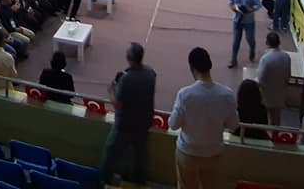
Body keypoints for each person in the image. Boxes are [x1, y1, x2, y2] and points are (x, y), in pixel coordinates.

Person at [168, 47, 238, 189]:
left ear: (192, 68)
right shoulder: (227, 95)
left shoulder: (185, 94)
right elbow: (233, 125)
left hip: (188, 152)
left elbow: (173, 125)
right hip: (213, 153)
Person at [101, 42, 156, 187]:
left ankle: (106, 178)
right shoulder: (151, 73)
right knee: (140, 155)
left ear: (128, 58)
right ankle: (138, 181)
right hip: (144, 122)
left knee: (111, 151)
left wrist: (111, 91)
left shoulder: (126, 79)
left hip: (125, 125)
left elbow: (118, 105)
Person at [256, 32, 291, 125]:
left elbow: (260, 78)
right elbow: (288, 76)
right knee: (276, 117)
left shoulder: (265, 59)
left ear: (267, 43)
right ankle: (276, 133)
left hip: (266, 93)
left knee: (264, 117)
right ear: (279, 42)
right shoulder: (286, 57)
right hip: (280, 93)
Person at [228, 0, 261, 68]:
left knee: (250, 39)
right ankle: (233, 60)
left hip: (248, 21)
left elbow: (258, 4)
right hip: (237, 20)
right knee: (236, 41)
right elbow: (230, 3)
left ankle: (252, 50)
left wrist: (251, 9)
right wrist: (233, 8)